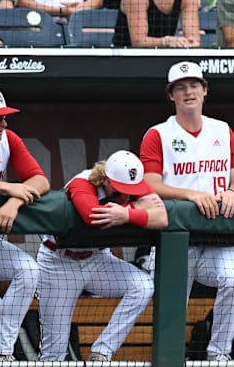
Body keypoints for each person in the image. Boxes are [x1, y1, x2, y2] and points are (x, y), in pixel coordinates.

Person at [140, 61, 234, 362]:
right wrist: (191, 195)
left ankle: (218, 354)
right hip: (174, 238)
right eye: (180, 87)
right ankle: (169, 358)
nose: (188, 92)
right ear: (171, 95)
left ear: (204, 91)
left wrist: (232, 192)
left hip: (215, 236)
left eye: (193, 85)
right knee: (174, 306)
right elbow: (148, 184)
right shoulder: (158, 134)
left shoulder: (222, 130)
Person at [37, 150, 166, 362]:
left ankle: (102, 352)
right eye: (120, 191)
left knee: (142, 286)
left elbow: (161, 217)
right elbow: (92, 216)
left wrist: (126, 213)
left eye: (131, 192)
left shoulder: (133, 182)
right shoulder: (83, 181)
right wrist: (136, 208)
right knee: (54, 352)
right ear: (105, 179)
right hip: (58, 263)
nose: (126, 196)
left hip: (97, 260)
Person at [0, 85, 49, 362]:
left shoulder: (7, 139)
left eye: (4, 116)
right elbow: (10, 186)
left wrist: (14, 202)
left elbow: (40, 180)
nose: (3, 123)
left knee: (28, 269)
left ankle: (3, 353)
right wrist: (6, 188)